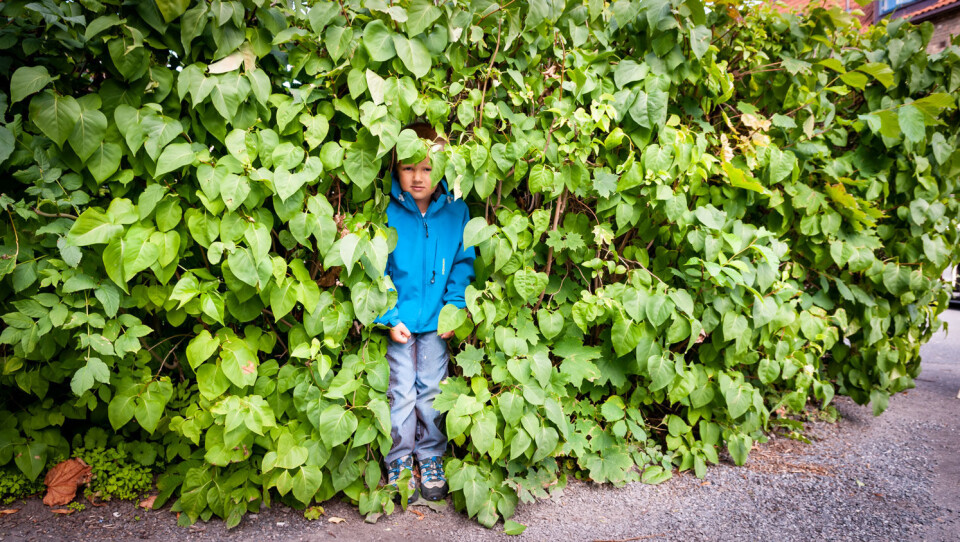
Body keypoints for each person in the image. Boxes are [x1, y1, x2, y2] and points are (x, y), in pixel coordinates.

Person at [373, 123, 476, 502]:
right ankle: (399, 459)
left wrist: (455, 306)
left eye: (428, 168)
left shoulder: (456, 212)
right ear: (395, 169)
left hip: (436, 322)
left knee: (432, 389)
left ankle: (430, 455)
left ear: (444, 168)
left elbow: (464, 263)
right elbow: (378, 268)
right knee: (399, 391)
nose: (418, 178)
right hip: (399, 321)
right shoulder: (386, 212)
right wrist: (389, 315)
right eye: (409, 167)